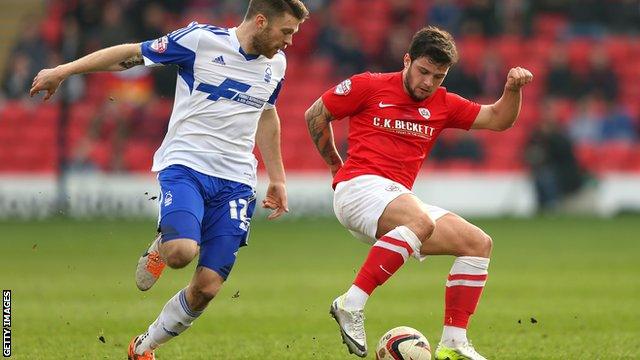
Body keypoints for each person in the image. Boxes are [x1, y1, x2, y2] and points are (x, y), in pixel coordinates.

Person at [30, 1, 309, 359]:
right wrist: (63, 70)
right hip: (186, 167)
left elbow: (267, 113)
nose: (289, 42)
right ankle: (164, 245)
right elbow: (130, 55)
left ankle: (143, 347)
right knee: (181, 253)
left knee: (207, 288)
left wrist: (278, 177)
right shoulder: (200, 42)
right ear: (260, 21)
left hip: (237, 182)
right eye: (286, 32)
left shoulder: (277, 65)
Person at [304, 26, 532, 359]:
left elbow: (498, 119)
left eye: (438, 76)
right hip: (359, 187)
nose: (428, 82)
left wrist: (513, 89)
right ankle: (350, 304)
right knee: (421, 220)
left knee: (477, 244)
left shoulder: (443, 103)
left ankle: (453, 343)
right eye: (423, 71)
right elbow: (316, 114)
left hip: (396, 199)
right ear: (407, 60)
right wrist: (335, 167)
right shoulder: (369, 85)